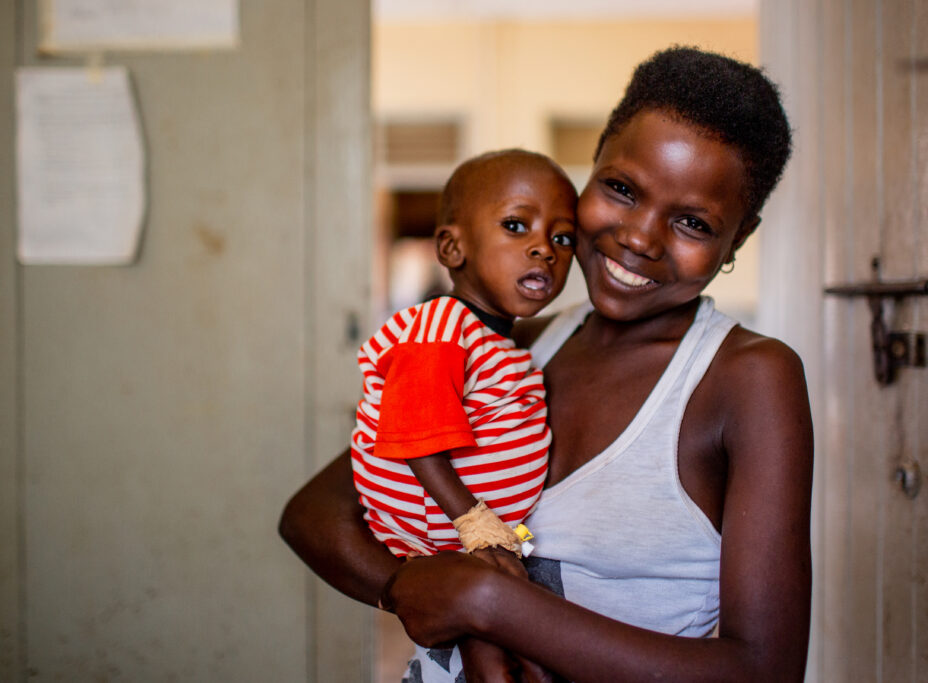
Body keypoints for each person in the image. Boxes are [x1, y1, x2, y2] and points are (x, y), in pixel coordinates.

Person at [281, 45, 813, 683]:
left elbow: (763, 670)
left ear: (741, 238)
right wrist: (412, 590)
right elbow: (316, 512)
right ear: (589, 172)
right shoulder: (518, 346)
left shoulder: (749, 377)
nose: (640, 238)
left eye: (693, 223)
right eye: (621, 189)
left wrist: (488, 605)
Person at [351, 149, 577, 678]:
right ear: (453, 248)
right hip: (447, 530)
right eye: (516, 226)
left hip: (468, 534)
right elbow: (418, 438)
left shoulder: (495, 341)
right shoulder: (439, 330)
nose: (544, 248)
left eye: (562, 238)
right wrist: (475, 525)